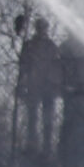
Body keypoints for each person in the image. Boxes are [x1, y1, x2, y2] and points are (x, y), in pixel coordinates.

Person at [16, 18, 61, 156]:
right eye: (40, 28)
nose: (42, 30)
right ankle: (33, 146)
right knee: (33, 119)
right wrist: (22, 84)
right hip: (34, 86)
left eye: (44, 28)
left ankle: (46, 148)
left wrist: (55, 84)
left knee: (47, 120)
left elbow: (56, 67)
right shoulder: (30, 45)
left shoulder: (51, 46)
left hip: (47, 86)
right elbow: (23, 67)